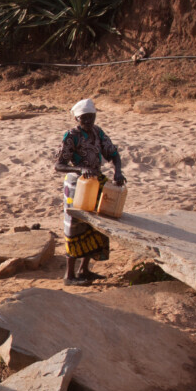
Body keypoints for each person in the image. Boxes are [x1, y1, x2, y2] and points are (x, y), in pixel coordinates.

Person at [54, 97, 126, 286]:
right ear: (77, 119)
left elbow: (113, 153)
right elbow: (59, 165)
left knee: (95, 225)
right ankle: (69, 275)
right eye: (84, 118)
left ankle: (84, 269)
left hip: (96, 182)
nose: (87, 121)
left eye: (90, 117)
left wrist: (118, 171)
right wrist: (79, 169)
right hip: (76, 186)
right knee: (74, 227)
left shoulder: (97, 133)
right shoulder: (71, 136)